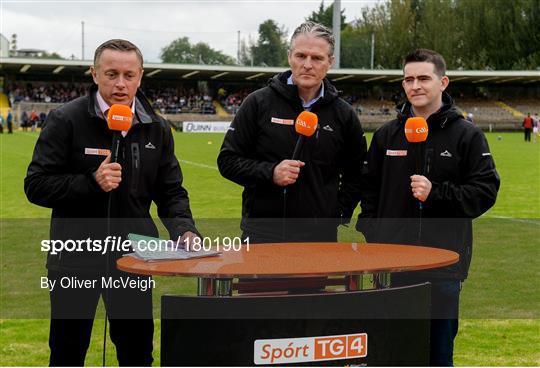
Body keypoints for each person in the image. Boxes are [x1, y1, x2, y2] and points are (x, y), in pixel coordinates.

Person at [25, 39, 200, 366]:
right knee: (66, 353)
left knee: (137, 354)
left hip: (134, 257)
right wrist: (90, 183)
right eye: (111, 74)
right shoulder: (66, 119)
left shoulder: (156, 128)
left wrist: (184, 231)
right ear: (94, 74)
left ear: (140, 76)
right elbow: (36, 185)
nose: (121, 84)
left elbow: (171, 192)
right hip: (74, 259)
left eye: (129, 75)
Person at [357, 49, 500, 366]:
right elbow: (368, 189)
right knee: (390, 355)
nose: (415, 85)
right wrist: (371, 230)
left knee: (436, 356)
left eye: (424, 78)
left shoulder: (467, 135)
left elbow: (485, 191)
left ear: (443, 82)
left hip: (443, 269)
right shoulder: (385, 135)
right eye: (408, 79)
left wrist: (437, 193)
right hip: (391, 267)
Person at [217, 21, 366, 244]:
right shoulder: (258, 103)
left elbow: (358, 172)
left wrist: (337, 212)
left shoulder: (344, 115)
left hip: (319, 239)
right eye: (300, 56)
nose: (307, 64)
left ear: (330, 62)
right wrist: (270, 172)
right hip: (262, 234)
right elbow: (227, 161)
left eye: (317, 58)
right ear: (289, 57)